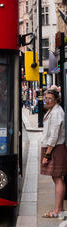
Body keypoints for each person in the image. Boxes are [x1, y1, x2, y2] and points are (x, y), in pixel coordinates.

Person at [41, 87, 67, 218]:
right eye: (46, 98)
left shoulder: (57, 112)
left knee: (57, 178)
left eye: (50, 98)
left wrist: (47, 154)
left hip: (55, 149)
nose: (47, 100)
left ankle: (57, 211)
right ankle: (59, 209)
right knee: (56, 178)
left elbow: (54, 135)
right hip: (53, 148)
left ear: (57, 100)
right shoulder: (52, 110)